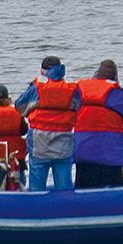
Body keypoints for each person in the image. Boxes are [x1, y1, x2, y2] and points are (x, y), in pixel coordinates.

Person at [73, 60, 123, 189]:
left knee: (83, 189)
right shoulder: (116, 96)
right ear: (114, 77)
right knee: (115, 191)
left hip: (82, 151)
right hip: (110, 155)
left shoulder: (78, 92)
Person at [14, 56, 80, 191]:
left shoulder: (36, 88)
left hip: (39, 141)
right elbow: (78, 107)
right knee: (64, 184)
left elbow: (19, 106)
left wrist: (34, 108)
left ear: (42, 71)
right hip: (64, 140)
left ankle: (36, 208)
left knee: (37, 183)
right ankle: (66, 208)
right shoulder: (73, 89)